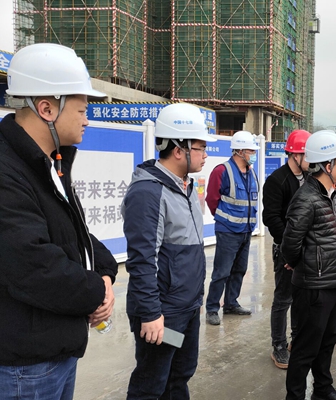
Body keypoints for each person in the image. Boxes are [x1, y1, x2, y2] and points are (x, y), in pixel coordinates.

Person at [0, 43, 118, 400]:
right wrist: (96, 291)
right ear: (47, 108)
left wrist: (105, 272)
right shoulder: (7, 170)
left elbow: (74, 233)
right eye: (82, 110)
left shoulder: (50, 162)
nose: (87, 119)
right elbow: (32, 265)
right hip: (24, 366)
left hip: (54, 349)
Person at [122, 103, 216, 399]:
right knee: (151, 382)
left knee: (179, 374)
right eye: (201, 148)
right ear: (178, 150)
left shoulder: (185, 186)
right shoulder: (149, 193)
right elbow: (142, 261)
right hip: (163, 313)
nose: (205, 154)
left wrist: (195, 299)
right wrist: (151, 314)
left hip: (186, 308)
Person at [282, 130, 336, 400]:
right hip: (313, 287)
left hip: (331, 282)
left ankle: (322, 390)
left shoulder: (328, 193)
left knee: (327, 339)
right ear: (327, 166)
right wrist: (301, 265)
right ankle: (295, 396)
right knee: (305, 348)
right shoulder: (306, 198)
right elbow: (290, 244)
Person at [263, 129, 311, 369]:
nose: (311, 160)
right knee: (283, 299)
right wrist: (289, 247)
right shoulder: (277, 180)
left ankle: (295, 340)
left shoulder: (308, 178)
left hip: (304, 249)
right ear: (295, 155)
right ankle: (279, 346)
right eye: (307, 155)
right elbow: (271, 218)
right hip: (285, 248)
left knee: (300, 298)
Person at [205, 130, 260, 324]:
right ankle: (212, 308)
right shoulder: (222, 171)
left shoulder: (251, 172)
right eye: (251, 151)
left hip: (246, 229)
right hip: (228, 230)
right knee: (222, 272)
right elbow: (212, 199)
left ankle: (231, 303)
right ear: (239, 151)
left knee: (239, 269)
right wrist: (224, 219)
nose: (253, 154)